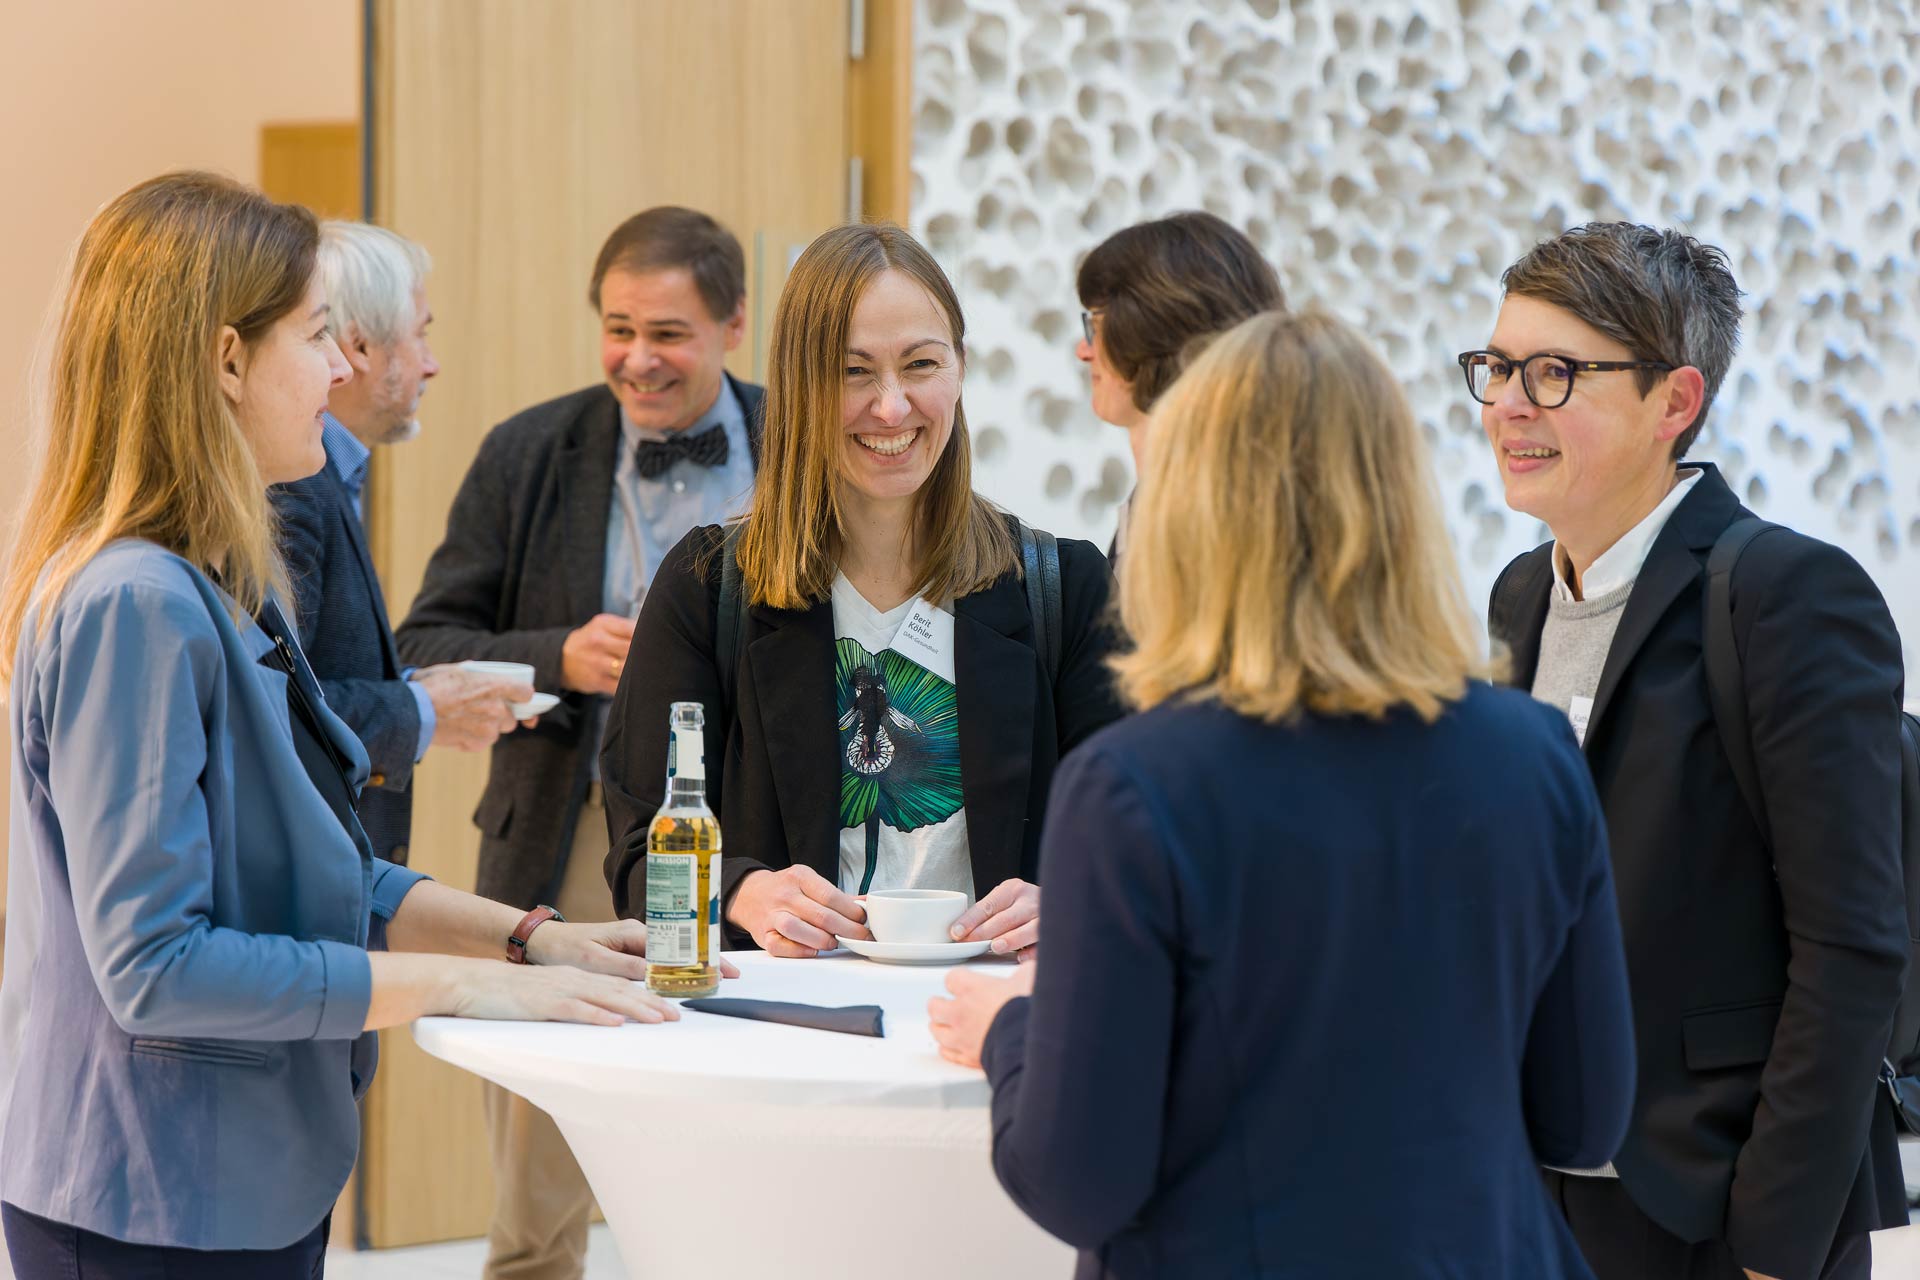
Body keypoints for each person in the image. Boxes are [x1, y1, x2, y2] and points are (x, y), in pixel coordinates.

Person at [0, 172, 692, 1279]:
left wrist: (530, 938)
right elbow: (157, 963)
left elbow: (318, 861)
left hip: (250, 1174)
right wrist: (468, 985)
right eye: (320, 335)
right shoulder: (133, 604)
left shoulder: (226, 583)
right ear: (226, 360)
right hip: (154, 1194)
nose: (342, 367)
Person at [929, 310, 1637, 1279]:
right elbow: (1585, 1112)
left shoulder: (1135, 786)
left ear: (1191, 509)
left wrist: (1013, 1028)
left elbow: (1079, 1179)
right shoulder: (1534, 754)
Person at [1473, 222, 1908, 1280]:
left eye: (1554, 372)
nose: (1507, 404)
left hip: (1714, 1211)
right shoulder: (1521, 593)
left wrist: (1773, 1245)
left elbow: (1851, 945)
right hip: (1537, 1198)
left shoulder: (1785, 594)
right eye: (1495, 367)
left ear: (1677, 400)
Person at [394, 205, 762, 1280]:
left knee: (737, 1100)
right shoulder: (528, 449)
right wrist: (560, 652)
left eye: (669, 334)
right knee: (539, 1151)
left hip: (747, 831)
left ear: (735, 324)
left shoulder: (803, 445)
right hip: (565, 824)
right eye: (617, 328)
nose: (637, 360)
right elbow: (425, 639)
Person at [601, 221, 1126, 961]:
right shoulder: (708, 588)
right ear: (799, 383)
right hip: (786, 1033)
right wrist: (742, 890)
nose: (890, 407)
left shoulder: (1063, 590)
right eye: (852, 372)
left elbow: (1138, 845)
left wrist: (1073, 901)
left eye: (919, 364)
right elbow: (637, 850)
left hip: (995, 1033)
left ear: (960, 368)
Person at [271, 220, 529, 866]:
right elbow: (275, 704)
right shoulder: (293, 485)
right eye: (422, 334)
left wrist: (417, 686)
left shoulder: (331, 472)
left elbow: (317, 665)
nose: (431, 362)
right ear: (359, 347)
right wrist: (420, 705)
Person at [1073, 211, 1283, 559]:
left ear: (1155, 328)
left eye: (1096, 325)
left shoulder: (1223, 522)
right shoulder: (1157, 501)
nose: (1084, 351)